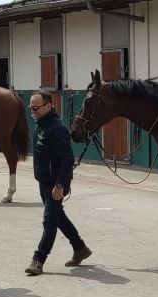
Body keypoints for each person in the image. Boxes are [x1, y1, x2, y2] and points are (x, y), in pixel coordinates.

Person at [25, 90, 92, 275]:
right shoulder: (41, 124)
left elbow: (67, 159)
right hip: (44, 180)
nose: (33, 111)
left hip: (55, 183)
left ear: (48, 106)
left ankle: (38, 259)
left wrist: (60, 185)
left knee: (49, 222)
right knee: (58, 217)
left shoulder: (56, 128)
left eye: (36, 108)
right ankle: (80, 248)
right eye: (30, 108)